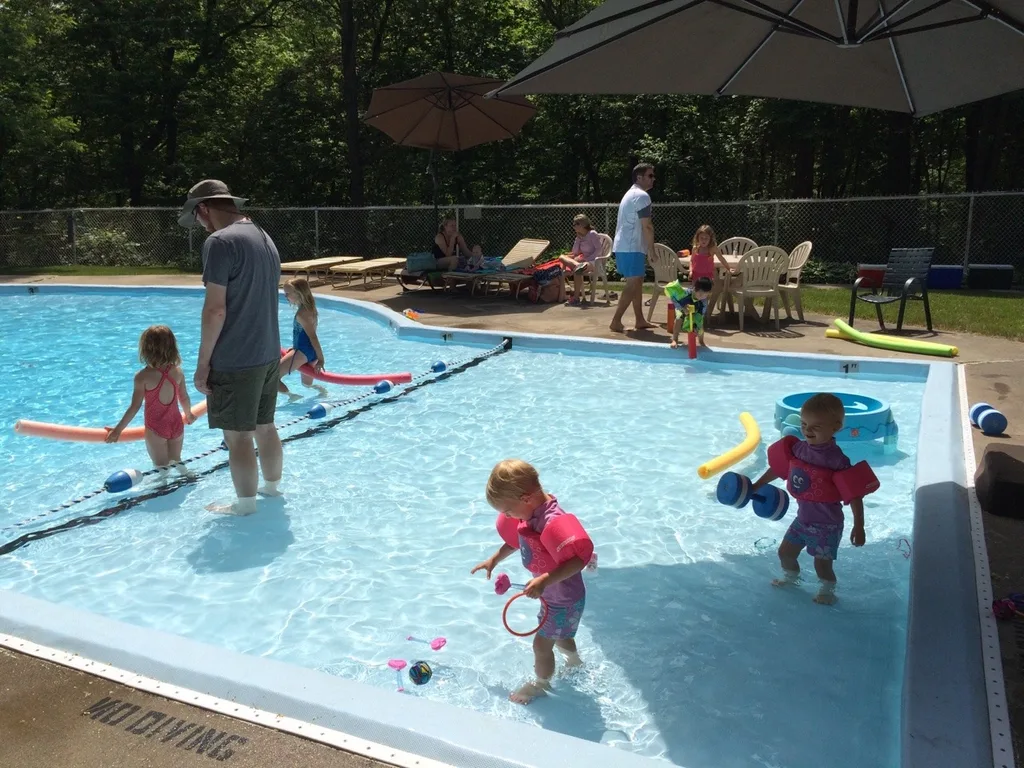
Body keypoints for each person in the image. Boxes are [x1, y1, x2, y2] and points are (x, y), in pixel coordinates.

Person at [178, 179, 283, 516]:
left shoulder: (220, 242)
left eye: (197, 216)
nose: (199, 223)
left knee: (238, 437)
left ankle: (245, 507)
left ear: (203, 208)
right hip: (268, 352)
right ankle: (271, 489)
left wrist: (203, 364)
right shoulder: (262, 236)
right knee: (265, 427)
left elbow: (215, 309)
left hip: (236, 358)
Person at [472, 459, 592, 705]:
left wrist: (545, 580)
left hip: (564, 598)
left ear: (525, 499)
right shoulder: (533, 513)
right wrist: (494, 559)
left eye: (508, 512)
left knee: (541, 645)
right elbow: (521, 540)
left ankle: (541, 684)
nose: (508, 517)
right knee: (560, 636)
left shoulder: (551, 520)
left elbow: (577, 561)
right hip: (552, 595)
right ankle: (574, 662)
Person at [750, 393, 870, 605]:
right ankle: (791, 578)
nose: (807, 430)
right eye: (804, 424)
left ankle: (827, 589)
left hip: (827, 525)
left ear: (835, 427)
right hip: (803, 520)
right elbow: (779, 469)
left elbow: (855, 495)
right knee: (785, 553)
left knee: (822, 566)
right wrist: (757, 485)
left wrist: (858, 526)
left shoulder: (838, 460)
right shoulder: (798, 449)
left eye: (816, 426)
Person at [105, 325, 196, 480]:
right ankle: (187, 476)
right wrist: (188, 414)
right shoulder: (177, 371)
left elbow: (134, 407)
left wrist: (118, 430)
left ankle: (162, 488)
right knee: (176, 459)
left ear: (145, 350)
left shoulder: (143, 377)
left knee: (161, 467)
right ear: (173, 347)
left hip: (156, 428)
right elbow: (184, 397)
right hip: (176, 424)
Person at [610, 163, 658, 333]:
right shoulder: (642, 195)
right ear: (639, 177)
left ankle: (640, 320)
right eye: (650, 175)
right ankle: (616, 321)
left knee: (637, 282)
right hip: (631, 246)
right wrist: (651, 250)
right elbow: (648, 226)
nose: (653, 179)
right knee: (633, 282)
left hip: (625, 245)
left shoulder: (630, 194)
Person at [277, 277, 328, 401]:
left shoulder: (302, 314)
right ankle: (322, 391)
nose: (285, 296)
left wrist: (321, 360)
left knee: (271, 378)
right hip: (308, 352)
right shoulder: (310, 308)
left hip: (303, 352)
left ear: (299, 293)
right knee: (306, 384)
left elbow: (313, 338)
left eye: (288, 293)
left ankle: (292, 396)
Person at [558, 213, 603, 307]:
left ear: (582, 225)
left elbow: (599, 250)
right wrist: (577, 239)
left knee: (578, 270)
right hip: (582, 261)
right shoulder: (579, 236)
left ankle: (575, 298)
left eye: (575, 224)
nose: (573, 226)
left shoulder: (592, 234)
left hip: (594, 261)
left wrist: (587, 259)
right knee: (561, 257)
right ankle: (577, 265)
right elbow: (574, 252)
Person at [667, 276, 713, 348]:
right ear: (694, 289)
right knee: (679, 319)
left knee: (700, 325)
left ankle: (701, 341)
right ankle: (675, 339)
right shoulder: (685, 293)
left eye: (706, 295)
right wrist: (682, 308)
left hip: (696, 312)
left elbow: (701, 314)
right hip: (682, 310)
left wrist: (696, 325)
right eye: (700, 294)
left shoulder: (704, 301)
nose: (702, 297)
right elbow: (673, 298)